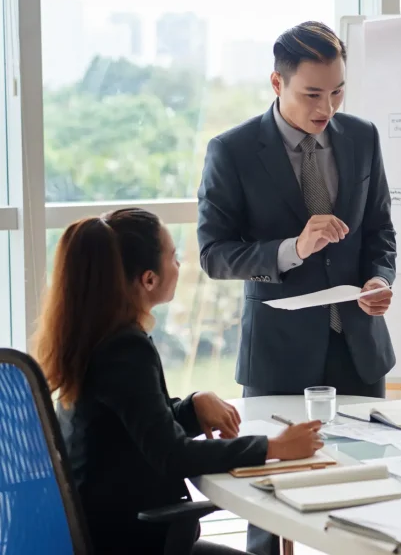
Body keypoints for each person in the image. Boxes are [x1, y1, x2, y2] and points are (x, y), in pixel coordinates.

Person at [196, 21, 395, 554]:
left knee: (368, 489)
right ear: (276, 83)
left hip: (358, 344)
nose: (326, 107)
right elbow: (213, 254)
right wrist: (292, 249)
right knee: (269, 500)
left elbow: (380, 232)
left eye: (337, 91)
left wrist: (380, 278)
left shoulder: (363, 137)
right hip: (278, 354)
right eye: (312, 93)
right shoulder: (232, 150)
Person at [32, 208, 324, 555]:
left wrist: (191, 407)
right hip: (131, 540)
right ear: (149, 279)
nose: (179, 266)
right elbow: (172, 455)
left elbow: (136, 425)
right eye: (172, 257)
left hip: (100, 532)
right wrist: (274, 447)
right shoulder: (125, 349)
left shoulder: (95, 337)